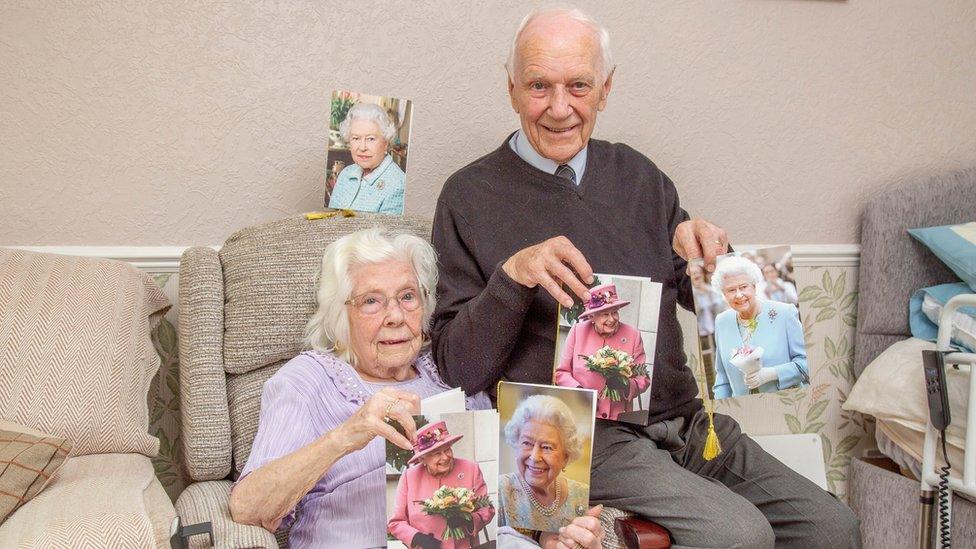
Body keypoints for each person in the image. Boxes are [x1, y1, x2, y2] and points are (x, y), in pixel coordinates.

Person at [431, 7, 860, 548]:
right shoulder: (467, 196)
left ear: (605, 89)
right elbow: (455, 368)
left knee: (833, 527)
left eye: (579, 86)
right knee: (738, 535)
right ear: (511, 87)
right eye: (539, 86)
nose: (559, 108)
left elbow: (719, 306)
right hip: (580, 437)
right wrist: (513, 277)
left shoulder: (639, 175)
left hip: (686, 424)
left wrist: (717, 258)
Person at [228, 228, 491, 548]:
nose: (395, 316)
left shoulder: (452, 369)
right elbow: (248, 508)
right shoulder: (308, 380)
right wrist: (348, 435)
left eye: (408, 296)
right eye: (371, 301)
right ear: (341, 316)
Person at [711, 257, 808, 399]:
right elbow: (722, 377)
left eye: (743, 287)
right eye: (731, 290)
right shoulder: (721, 321)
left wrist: (773, 373)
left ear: (754, 286)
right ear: (724, 294)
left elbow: (806, 364)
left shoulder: (785, 313)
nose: (739, 295)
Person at [388, 421, 495, 549]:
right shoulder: (409, 477)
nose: (445, 457)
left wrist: (469, 520)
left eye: (447, 449)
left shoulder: (471, 469)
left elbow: (487, 509)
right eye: (437, 453)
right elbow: (396, 522)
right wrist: (417, 538)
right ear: (422, 459)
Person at [498, 395, 591, 537]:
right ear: (516, 445)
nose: (535, 457)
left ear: (565, 457)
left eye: (547, 447)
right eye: (527, 443)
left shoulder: (582, 494)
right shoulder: (498, 490)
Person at [554, 283, 650, 420]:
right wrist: (579, 392)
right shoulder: (577, 332)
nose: (612, 319)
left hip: (617, 418)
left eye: (615, 312)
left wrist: (626, 385)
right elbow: (561, 373)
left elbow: (643, 378)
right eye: (605, 314)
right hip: (581, 413)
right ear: (592, 316)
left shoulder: (633, 335)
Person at [328, 102, 406, 214]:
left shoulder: (398, 183)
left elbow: (386, 231)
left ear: (386, 143)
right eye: (356, 138)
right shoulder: (346, 173)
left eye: (370, 139)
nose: (362, 147)